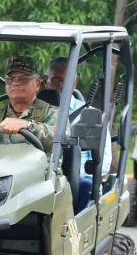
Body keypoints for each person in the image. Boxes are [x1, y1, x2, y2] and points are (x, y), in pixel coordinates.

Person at [44, 57, 112, 213]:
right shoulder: (32, 113)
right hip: (38, 173)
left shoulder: (89, 115)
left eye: (67, 80)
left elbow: (104, 161)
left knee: (87, 186)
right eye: (56, 79)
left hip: (74, 177)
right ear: (46, 80)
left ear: (75, 82)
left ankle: (74, 234)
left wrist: (69, 174)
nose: (62, 84)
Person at [0, 56, 58, 155]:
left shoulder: (53, 114)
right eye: (10, 79)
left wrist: (28, 125)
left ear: (37, 84)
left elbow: (59, 140)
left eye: (23, 79)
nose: (15, 83)